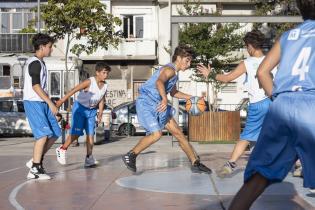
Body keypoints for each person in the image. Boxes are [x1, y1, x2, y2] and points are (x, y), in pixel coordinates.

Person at [228, 1, 315, 209]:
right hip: (311, 103)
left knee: (258, 178)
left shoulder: (288, 36)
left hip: (282, 106)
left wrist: (278, 98)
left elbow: (262, 72)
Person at [122, 45, 212, 174]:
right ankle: (131, 155)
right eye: (187, 60)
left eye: (190, 61)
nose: (189, 64)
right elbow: (159, 82)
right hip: (147, 103)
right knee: (156, 134)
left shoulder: (174, 74)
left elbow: (174, 92)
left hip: (158, 104)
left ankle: (195, 163)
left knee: (178, 133)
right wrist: (164, 99)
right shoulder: (169, 70)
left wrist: (193, 98)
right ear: (179, 58)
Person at [197, 30, 272, 177]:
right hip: (273, 101)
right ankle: (299, 163)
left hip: (258, 104)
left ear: (250, 46)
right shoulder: (272, 59)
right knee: (278, 134)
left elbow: (227, 78)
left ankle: (231, 164)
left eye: (246, 46)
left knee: (246, 137)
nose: (246, 49)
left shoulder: (248, 63)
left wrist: (210, 74)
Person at [55, 62, 110, 167]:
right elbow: (74, 90)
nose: (105, 75)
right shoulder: (89, 82)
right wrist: (62, 101)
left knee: (90, 135)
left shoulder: (105, 85)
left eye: (107, 73)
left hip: (91, 111)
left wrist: (100, 113)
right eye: (104, 73)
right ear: (97, 72)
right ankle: (62, 149)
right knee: (76, 133)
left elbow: (102, 99)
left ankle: (89, 158)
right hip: (80, 109)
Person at [23, 33, 60, 180]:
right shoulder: (34, 63)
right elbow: (36, 87)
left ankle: (34, 161)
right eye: (50, 47)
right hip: (33, 102)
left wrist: (50, 105)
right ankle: (35, 168)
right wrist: (51, 103)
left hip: (42, 102)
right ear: (42, 47)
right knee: (43, 135)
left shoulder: (41, 62)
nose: (51, 50)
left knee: (55, 132)